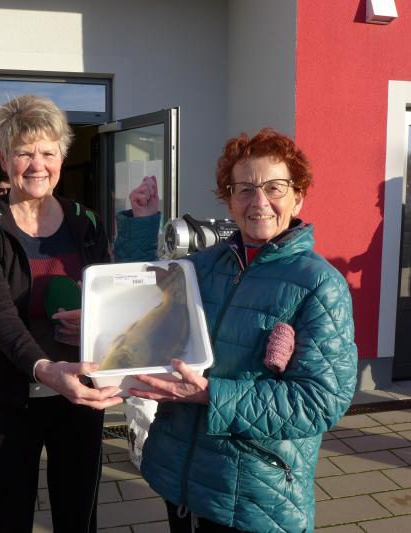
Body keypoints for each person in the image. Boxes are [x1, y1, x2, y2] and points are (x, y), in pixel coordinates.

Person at [121, 128, 358, 532]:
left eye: (275, 187)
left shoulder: (319, 284)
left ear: (298, 197)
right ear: (229, 200)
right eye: (245, 189)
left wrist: (210, 395)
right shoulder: (203, 266)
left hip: (255, 492)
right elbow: (139, 297)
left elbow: (320, 401)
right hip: (179, 475)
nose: (259, 202)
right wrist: (143, 225)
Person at [0, 94, 159, 533]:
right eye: (24, 153)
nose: (37, 165)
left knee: (78, 516)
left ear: (61, 157)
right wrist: (44, 369)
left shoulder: (84, 220)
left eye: (48, 153)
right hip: (11, 396)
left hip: (80, 396)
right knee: (11, 519)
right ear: (3, 158)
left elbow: (116, 292)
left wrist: (94, 317)